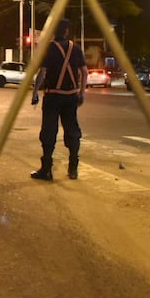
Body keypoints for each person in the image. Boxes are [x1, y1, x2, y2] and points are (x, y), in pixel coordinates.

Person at [30, 18, 88, 181]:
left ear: (53, 32)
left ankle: (46, 170)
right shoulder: (75, 48)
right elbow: (84, 72)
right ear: (67, 31)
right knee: (72, 130)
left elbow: (42, 72)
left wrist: (35, 92)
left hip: (53, 96)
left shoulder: (48, 49)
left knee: (49, 131)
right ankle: (73, 169)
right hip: (71, 97)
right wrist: (82, 93)